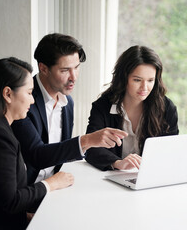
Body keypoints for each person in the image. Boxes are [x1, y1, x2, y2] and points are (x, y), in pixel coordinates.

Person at [0, 58, 74, 229]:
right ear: (8, 94)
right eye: (29, 93)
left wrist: (24, 217)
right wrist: (51, 183)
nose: (33, 101)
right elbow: (10, 201)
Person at [12, 33, 127, 184]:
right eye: (65, 70)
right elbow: (36, 155)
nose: (74, 77)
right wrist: (87, 140)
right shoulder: (24, 100)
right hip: (28, 191)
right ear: (44, 68)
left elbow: (60, 154)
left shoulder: (67, 103)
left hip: (56, 186)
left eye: (77, 68)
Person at [85, 45, 179, 171]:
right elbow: (91, 148)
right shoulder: (102, 106)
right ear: (124, 78)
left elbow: (172, 150)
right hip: (113, 177)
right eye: (137, 80)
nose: (144, 88)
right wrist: (118, 163)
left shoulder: (167, 108)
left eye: (150, 80)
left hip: (151, 176)